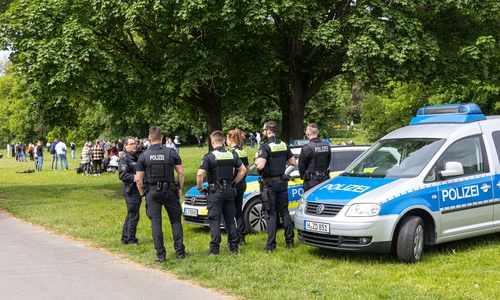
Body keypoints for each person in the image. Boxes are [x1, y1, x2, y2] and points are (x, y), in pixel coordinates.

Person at [136, 126, 188, 263]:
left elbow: (139, 180)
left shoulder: (143, 156)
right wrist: (179, 189)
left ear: (149, 138)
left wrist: (142, 194)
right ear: (162, 137)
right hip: (170, 191)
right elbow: (181, 173)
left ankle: (161, 255)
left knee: (156, 223)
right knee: (176, 221)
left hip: (152, 192)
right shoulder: (171, 153)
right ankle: (180, 252)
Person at [197, 130, 246, 255]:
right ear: (223, 141)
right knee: (230, 219)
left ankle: (214, 250)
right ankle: (234, 248)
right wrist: (234, 182)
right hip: (229, 191)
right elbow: (243, 169)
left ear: (213, 142)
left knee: (215, 220)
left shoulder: (209, 157)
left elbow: (200, 174)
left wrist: (199, 187)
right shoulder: (231, 155)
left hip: (215, 192)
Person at [254, 121, 296, 252]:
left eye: (263, 130)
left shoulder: (265, 146)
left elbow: (260, 166)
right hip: (282, 182)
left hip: (270, 184)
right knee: (284, 211)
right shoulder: (283, 144)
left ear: (268, 131)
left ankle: (271, 245)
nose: (262, 132)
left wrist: (256, 158)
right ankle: (290, 242)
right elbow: (293, 162)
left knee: (270, 213)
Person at [225, 129, 250, 245]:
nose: (226, 141)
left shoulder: (231, 152)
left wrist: (233, 182)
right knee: (239, 212)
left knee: (229, 213)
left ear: (231, 139)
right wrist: (242, 179)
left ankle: (232, 239)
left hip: (234, 183)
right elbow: (248, 169)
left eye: (226, 139)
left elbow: (232, 170)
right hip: (242, 184)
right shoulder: (243, 151)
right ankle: (242, 238)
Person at [118, 137, 141, 245]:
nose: (134, 145)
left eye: (134, 143)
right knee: (133, 215)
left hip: (136, 189)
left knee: (131, 214)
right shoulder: (125, 158)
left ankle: (125, 238)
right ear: (125, 146)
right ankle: (131, 239)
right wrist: (137, 178)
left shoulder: (135, 156)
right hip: (130, 189)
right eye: (131, 144)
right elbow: (122, 175)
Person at [298, 123, 332, 192]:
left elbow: (301, 167)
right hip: (325, 180)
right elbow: (328, 163)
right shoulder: (327, 146)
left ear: (307, 134)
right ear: (318, 132)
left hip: (311, 182)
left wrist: (303, 176)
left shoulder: (307, 148)